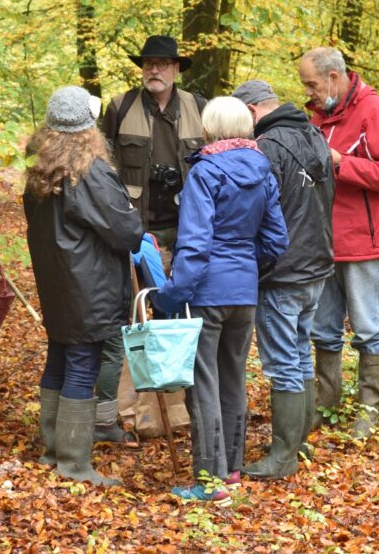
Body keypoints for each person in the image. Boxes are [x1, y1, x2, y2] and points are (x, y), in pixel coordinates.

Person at [153, 96, 288, 503]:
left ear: (210, 130)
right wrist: (245, 266)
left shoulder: (205, 172)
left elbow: (194, 245)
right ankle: (230, 471)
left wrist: (171, 295)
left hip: (208, 292)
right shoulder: (263, 170)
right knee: (232, 379)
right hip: (243, 292)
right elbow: (276, 239)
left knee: (204, 385)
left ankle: (208, 483)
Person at [25, 86, 143, 486]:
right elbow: (127, 230)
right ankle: (74, 463)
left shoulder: (40, 172)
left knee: (59, 357)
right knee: (80, 363)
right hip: (87, 285)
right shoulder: (91, 173)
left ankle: (55, 450)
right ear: (89, 127)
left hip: (59, 282)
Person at [94, 34, 207, 443]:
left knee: (177, 317)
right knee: (132, 318)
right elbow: (101, 165)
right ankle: (132, 411)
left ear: (177, 69)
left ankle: (176, 410)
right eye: (148, 64)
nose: (154, 70)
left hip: (188, 231)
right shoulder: (121, 107)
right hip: (135, 232)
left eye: (163, 63)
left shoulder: (199, 108)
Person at [299, 47, 379, 440]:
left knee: (366, 327)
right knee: (323, 327)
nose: (308, 92)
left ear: (333, 77)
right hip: (324, 242)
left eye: (311, 84)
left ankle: (369, 408)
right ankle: (326, 403)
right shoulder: (317, 115)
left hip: (365, 240)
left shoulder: (375, 111)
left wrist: (341, 162)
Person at [233, 80, 334, 479]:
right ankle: (299, 443)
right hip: (316, 265)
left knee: (282, 364)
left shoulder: (268, 147)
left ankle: (283, 455)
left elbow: (259, 214)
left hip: (283, 272)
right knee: (299, 354)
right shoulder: (314, 135)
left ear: (253, 110)